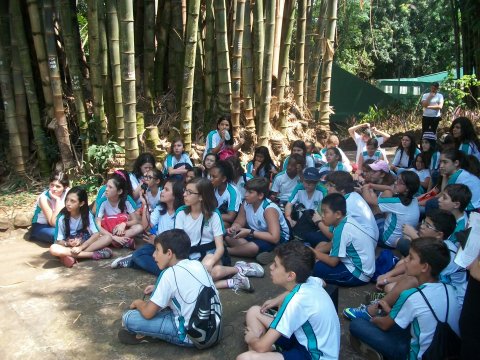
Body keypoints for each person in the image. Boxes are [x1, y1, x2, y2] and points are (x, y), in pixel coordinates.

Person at [349, 238, 460, 360]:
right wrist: (390, 311)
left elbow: (384, 325)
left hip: (415, 355)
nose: (406, 261)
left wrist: (374, 320)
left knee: (357, 324)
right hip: (445, 350)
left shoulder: (413, 296)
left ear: (424, 267)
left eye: (411, 258)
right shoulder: (450, 289)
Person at [236, 241, 340, 360]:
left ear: (290, 276)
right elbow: (323, 282)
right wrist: (277, 298)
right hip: (304, 339)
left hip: (314, 355)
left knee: (245, 358)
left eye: (275, 265)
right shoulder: (310, 280)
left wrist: (251, 338)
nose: (270, 267)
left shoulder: (294, 302)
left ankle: (269, 348)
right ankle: (271, 349)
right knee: (254, 311)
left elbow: (260, 347)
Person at [118, 229, 221, 347]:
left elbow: (147, 313)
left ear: (169, 254)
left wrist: (139, 303)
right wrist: (158, 287)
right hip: (215, 331)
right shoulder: (197, 264)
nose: (153, 255)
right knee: (165, 305)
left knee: (129, 318)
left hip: (193, 337)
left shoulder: (169, 274)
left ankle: (156, 334)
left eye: (157, 250)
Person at [175, 177, 262, 291]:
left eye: (189, 192)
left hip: (211, 253)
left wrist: (210, 262)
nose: (184, 195)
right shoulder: (181, 212)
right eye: (185, 190)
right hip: (189, 255)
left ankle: (239, 269)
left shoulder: (214, 214)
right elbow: (179, 242)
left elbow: (220, 247)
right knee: (202, 277)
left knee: (207, 272)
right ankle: (232, 281)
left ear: (201, 196)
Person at [111, 178, 184, 275]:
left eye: (166, 190)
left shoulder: (182, 212)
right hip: (157, 245)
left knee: (141, 256)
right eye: (163, 189)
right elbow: (146, 227)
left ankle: (134, 263)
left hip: (172, 249)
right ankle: (165, 271)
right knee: (139, 254)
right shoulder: (160, 208)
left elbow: (179, 239)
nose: (162, 192)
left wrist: (158, 241)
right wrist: (145, 204)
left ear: (176, 194)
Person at [312, 193, 375, 286]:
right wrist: (316, 252)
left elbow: (333, 262)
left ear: (337, 214)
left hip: (358, 274)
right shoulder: (346, 220)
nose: (322, 216)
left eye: (325, 212)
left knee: (314, 268)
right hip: (362, 267)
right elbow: (332, 243)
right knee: (321, 244)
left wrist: (314, 252)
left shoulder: (341, 230)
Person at [225, 177, 290, 260]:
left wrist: (250, 232)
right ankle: (256, 252)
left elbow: (275, 238)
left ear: (260, 195)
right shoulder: (246, 203)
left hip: (278, 239)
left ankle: (227, 251)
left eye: (250, 192)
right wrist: (234, 228)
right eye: (246, 191)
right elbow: (239, 222)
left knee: (252, 247)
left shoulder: (269, 209)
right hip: (256, 234)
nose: (246, 194)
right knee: (228, 237)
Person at [49, 187, 113, 267]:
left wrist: (81, 247)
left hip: (83, 241)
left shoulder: (87, 213)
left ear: (81, 203)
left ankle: (71, 256)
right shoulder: (62, 217)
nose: (68, 203)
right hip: (69, 244)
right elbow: (58, 241)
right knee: (53, 248)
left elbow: (96, 234)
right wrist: (68, 243)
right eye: (67, 200)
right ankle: (93, 254)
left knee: (108, 238)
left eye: (72, 201)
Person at [361, 170, 420, 248]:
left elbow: (368, 200)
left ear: (407, 188)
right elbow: (390, 188)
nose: (395, 183)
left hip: (387, 240)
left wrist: (365, 187)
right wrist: (371, 185)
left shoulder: (397, 202)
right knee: (383, 196)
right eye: (397, 179)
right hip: (401, 239)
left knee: (373, 205)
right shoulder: (414, 199)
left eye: (400, 182)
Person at [96, 171, 143, 249]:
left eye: (110, 187)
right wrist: (114, 237)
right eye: (106, 186)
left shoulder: (127, 200)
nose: (106, 189)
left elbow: (136, 220)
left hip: (120, 231)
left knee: (139, 227)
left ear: (119, 191)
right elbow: (97, 225)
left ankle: (112, 242)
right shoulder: (103, 201)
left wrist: (124, 224)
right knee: (96, 234)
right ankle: (118, 241)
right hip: (106, 231)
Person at [30, 170, 70, 244]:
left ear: (65, 187)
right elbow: (53, 223)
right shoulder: (44, 198)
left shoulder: (68, 192)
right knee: (56, 234)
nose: (54, 189)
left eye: (58, 186)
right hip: (42, 226)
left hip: (61, 224)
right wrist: (58, 201)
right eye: (52, 185)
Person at [210, 160, 242, 227]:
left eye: (214, 177)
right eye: (210, 176)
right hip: (214, 217)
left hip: (229, 224)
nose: (210, 179)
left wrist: (208, 215)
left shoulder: (233, 192)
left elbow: (230, 217)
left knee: (224, 224)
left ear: (223, 179)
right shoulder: (212, 188)